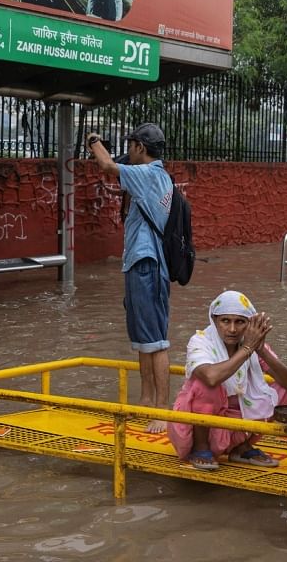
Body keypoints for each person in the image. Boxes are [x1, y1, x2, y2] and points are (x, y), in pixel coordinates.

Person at [86, 124, 174, 433]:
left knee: (156, 341)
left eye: (132, 145)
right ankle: (146, 400)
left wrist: (93, 140)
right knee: (143, 340)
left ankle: (162, 410)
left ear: (139, 147)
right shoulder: (157, 175)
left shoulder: (148, 175)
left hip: (147, 262)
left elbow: (108, 165)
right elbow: (119, 162)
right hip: (143, 262)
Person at [167, 290, 287, 471]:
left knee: (284, 391)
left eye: (240, 322)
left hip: (236, 424)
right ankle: (201, 448)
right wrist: (247, 349)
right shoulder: (200, 341)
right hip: (199, 426)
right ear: (214, 321)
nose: (232, 329)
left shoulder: (252, 344)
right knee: (205, 384)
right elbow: (211, 377)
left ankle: (242, 446)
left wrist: (262, 351)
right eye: (225, 321)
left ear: (249, 324)